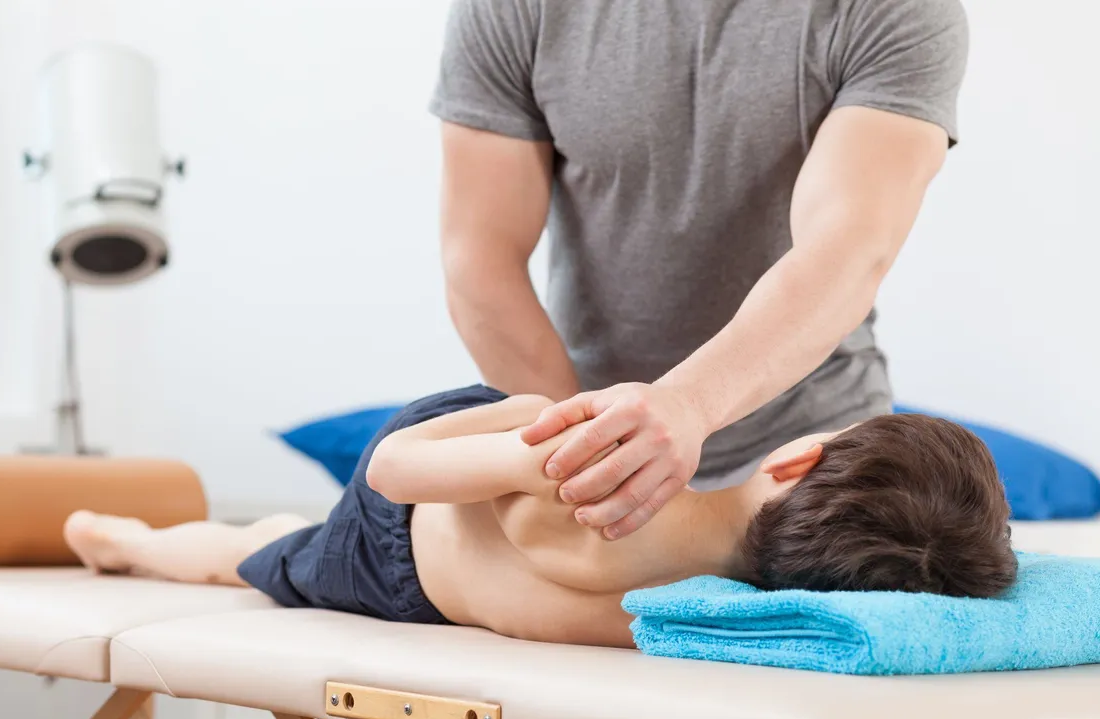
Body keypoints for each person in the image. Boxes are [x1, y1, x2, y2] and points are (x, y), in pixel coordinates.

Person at [431, 0, 970, 540]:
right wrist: (588, 453)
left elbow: (848, 251)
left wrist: (687, 406)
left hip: (809, 452)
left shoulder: (897, 11)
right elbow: (481, 262)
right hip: (584, 433)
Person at [64, 385, 1017, 649]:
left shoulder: (587, 480)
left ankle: (139, 543)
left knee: (252, 552)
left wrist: (533, 429)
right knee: (256, 553)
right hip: (428, 565)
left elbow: (391, 471)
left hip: (402, 534)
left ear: (794, 457)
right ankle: (149, 544)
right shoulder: (713, 619)